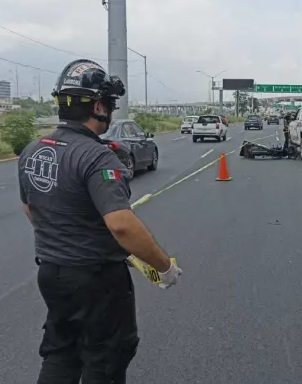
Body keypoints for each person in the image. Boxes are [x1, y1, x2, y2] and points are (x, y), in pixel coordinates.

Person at [17, 59, 182, 384]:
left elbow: (30, 209)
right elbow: (121, 224)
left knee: (61, 353)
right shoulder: (98, 156)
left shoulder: (33, 150)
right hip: (96, 280)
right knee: (105, 358)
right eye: (108, 103)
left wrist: (63, 238)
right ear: (97, 106)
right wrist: (163, 267)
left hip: (52, 273)